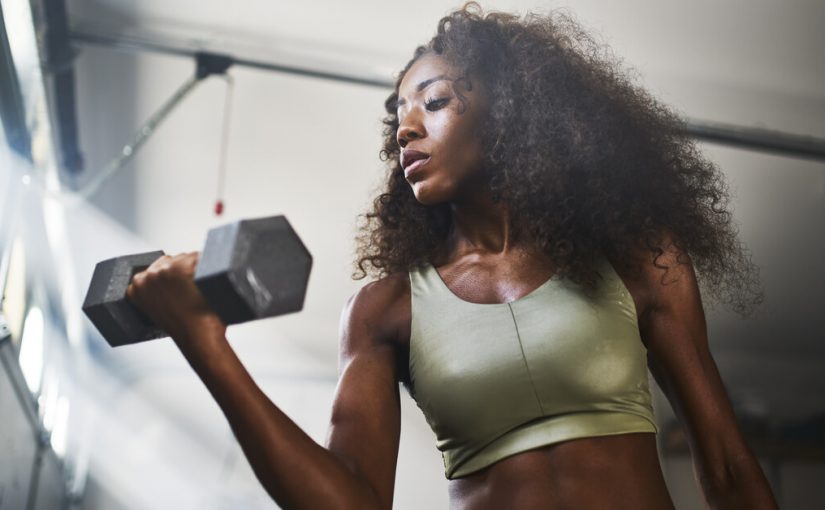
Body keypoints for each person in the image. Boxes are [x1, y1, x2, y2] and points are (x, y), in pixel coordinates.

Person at [125, 3, 778, 509]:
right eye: (398, 116)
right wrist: (202, 340)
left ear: (512, 117)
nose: (406, 127)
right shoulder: (385, 308)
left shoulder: (638, 254)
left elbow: (724, 463)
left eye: (434, 102)